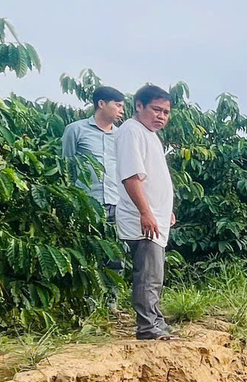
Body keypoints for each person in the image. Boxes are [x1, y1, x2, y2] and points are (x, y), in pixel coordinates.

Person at [116, 84, 177, 340]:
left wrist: (164, 211)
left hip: (155, 218)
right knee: (149, 275)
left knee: (155, 274)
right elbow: (131, 178)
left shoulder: (148, 134)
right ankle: (148, 328)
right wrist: (146, 212)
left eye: (165, 112)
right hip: (143, 220)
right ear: (138, 106)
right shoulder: (131, 131)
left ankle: (156, 322)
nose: (161, 116)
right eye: (156, 109)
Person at [59, 84, 125, 218]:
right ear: (101, 103)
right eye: (118, 105)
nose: (122, 111)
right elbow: (66, 163)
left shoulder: (121, 135)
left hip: (117, 204)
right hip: (86, 202)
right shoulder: (75, 129)